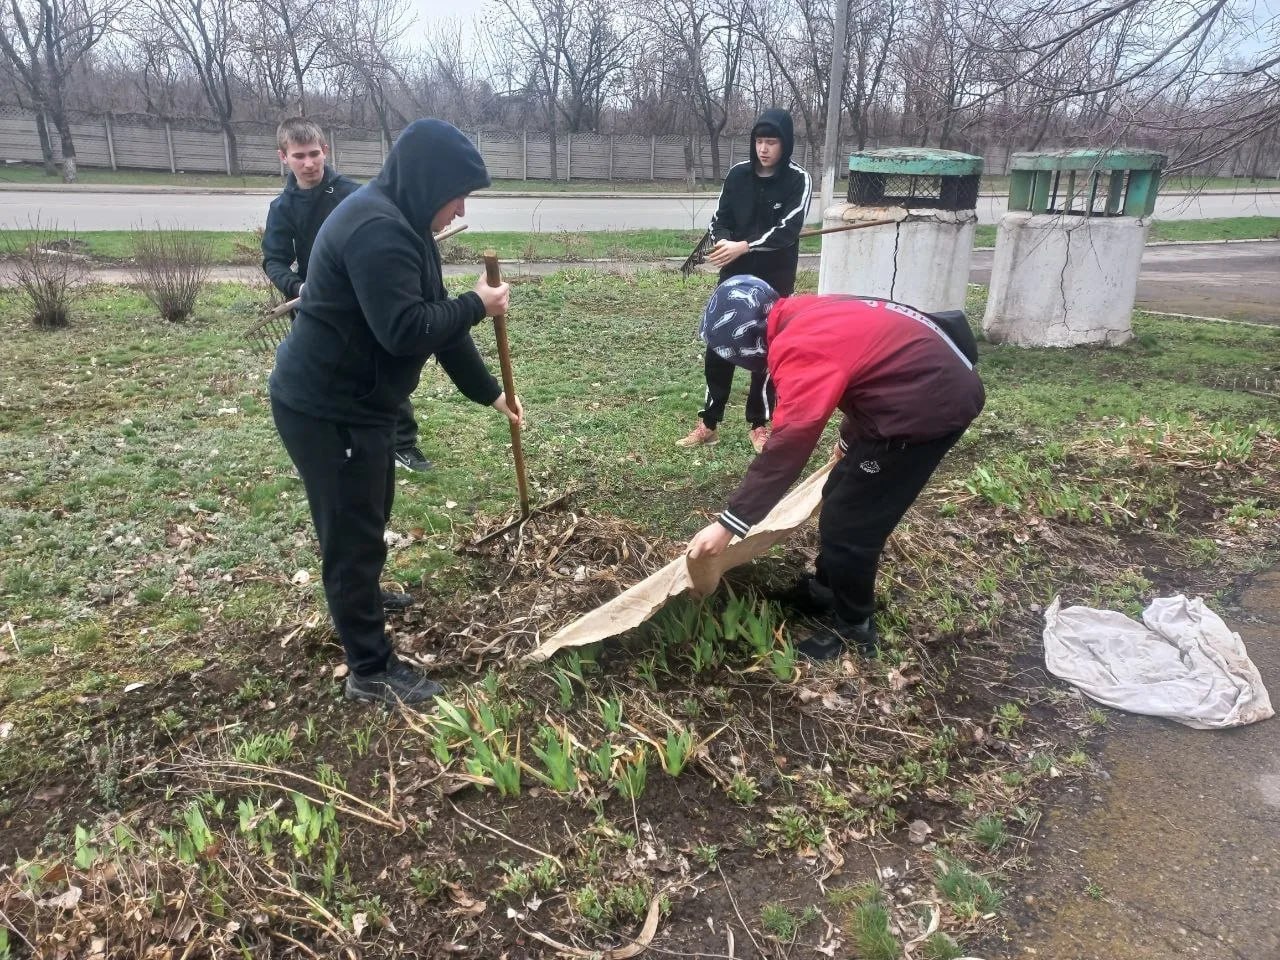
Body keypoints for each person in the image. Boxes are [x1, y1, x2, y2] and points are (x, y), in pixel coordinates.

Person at [269, 119, 519, 706]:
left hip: (363, 404)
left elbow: (436, 321)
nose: (461, 210)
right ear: (430, 183)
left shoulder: (402, 222)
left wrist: (489, 392)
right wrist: (477, 305)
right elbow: (407, 331)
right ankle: (370, 668)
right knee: (351, 535)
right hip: (327, 408)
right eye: (458, 194)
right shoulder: (377, 229)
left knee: (371, 506)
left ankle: (367, 597)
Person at [685, 276, 985, 662]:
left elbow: (790, 440)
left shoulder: (798, 344)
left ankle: (855, 631)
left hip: (927, 412)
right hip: (917, 389)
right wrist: (849, 440)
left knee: (850, 526)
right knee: (838, 490)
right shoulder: (805, 313)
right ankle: (825, 590)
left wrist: (730, 523)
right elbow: (870, 368)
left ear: (747, 342)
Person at [262, 117, 434, 476]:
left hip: (367, 303)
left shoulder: (353, 194)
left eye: (313, 154)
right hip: (317, 309)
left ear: (325, 150)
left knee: (383, 368)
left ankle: (403, 443)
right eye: (298, 156)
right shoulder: (283, 208)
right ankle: (329, 444)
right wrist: (298, 287)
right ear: (283, 157)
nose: (308, 163)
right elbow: (274, 260)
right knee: (325, 378)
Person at [677, 109, 812, 454]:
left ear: (785, 144)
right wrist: (723, 240)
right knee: (719, 345)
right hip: (734, 276)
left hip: (774, 278)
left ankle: (759, 423)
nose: (764, 149)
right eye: (759, 141)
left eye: (772, 142)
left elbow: (788, 230)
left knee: (766, 351)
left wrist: (745, 245)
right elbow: (719, 219)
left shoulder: (798, 180)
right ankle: (709, 422)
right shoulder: (738, 175)